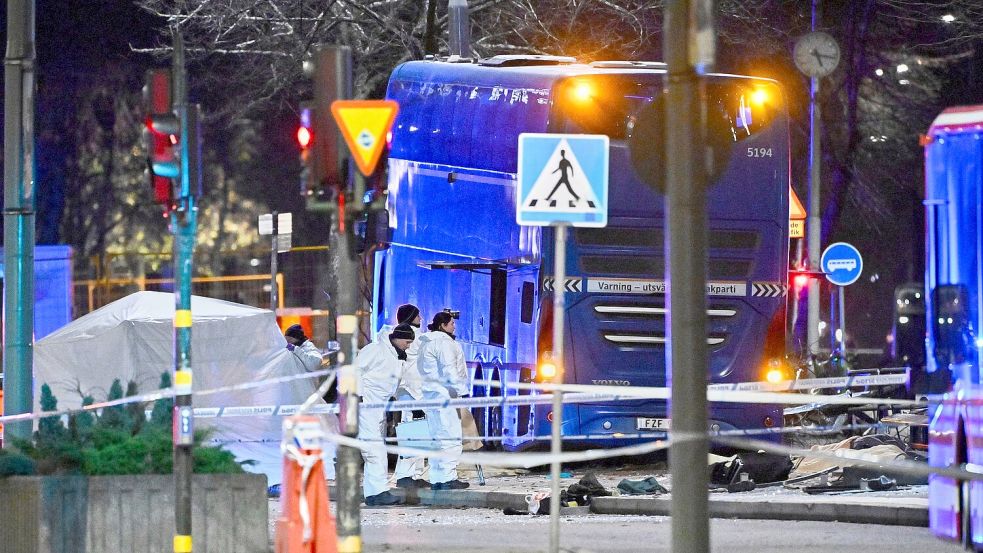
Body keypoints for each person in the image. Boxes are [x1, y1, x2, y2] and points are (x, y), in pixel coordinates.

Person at [354, 323, 415, 506]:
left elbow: (396, 384)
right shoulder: (375, 350)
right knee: (374, 450)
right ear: (398, 338)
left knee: (375, 449)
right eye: (407, 341)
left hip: (376, 407)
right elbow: (354, 370)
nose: (409, 345)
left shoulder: (396, 356)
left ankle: (374, 493)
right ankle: (377, 492)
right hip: (366, 405)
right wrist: (357, 396)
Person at [415, 310, 471, 490]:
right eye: (452, 324)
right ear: (443, 325)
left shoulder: (426, 342)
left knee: (437, 439)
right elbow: (450, 371)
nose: (454, 327)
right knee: (451, 438)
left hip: (431, 397)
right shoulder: (444, 343)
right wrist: (462, 392)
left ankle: (438, 478)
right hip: (447, 397)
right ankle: (447, 477)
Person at [381, 303, 429, 489]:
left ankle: (412, 474)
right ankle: (407, 475)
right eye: (418, 315)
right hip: (412, 391)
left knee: (414, 432)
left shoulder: (402, 335)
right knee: (413, 432)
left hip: (408, 391)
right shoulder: (412, 334)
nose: (421, 319)